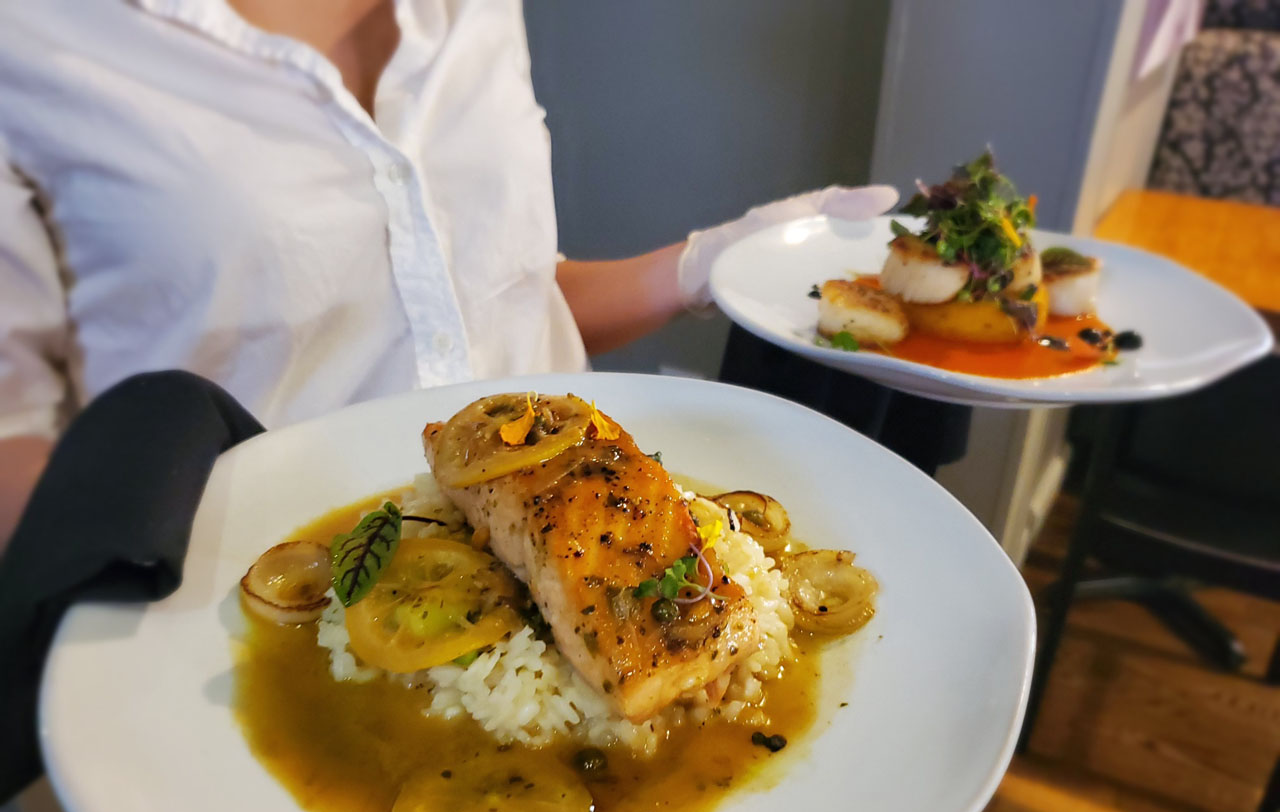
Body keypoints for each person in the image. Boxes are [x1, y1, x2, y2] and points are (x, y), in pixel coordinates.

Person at [0, 0, 896, 547]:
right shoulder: (31, 40)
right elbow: (15, 438)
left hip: (585, 517)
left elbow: (499, 296)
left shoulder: (474, 10)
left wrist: (705, 266)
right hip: (272, 599)